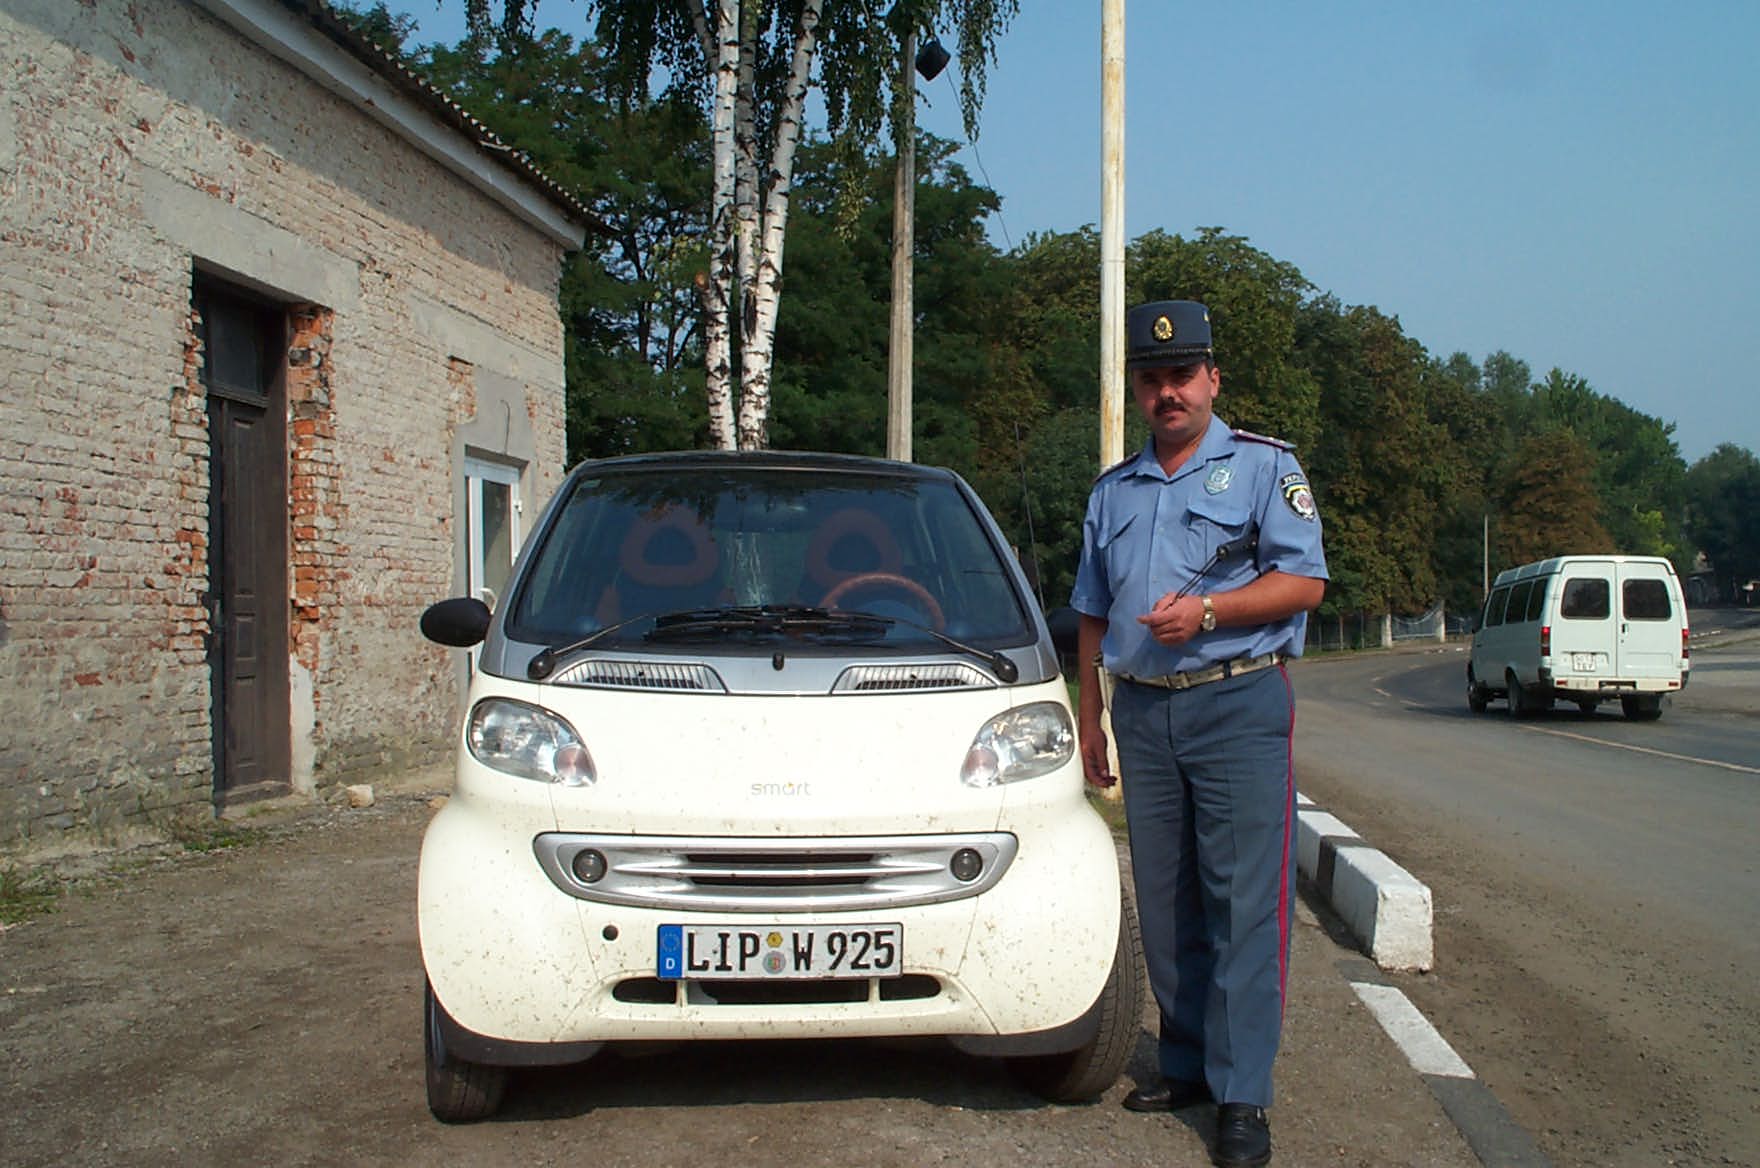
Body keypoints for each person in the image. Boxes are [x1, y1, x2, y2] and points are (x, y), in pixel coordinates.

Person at [1070, 300, 1327, 1168]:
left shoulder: (1264, 468)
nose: (1168, 392)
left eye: (1183, 376)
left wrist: (1213, 609)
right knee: (1167, 896)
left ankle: (1244, 1093)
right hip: (1141, 712)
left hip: (1237, 703)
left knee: (1243, 905)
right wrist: (1090, 714)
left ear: (1213, 379)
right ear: (1138, 390)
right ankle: (1185, 1064)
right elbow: (1092, 614)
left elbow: (1304, 584)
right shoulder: (1113, 490)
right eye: (1152, 379)